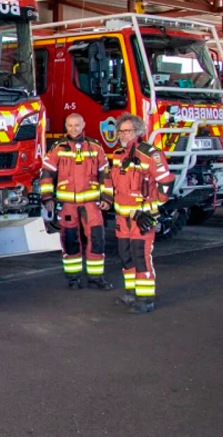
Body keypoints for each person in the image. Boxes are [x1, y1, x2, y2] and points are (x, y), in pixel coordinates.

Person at [106, 113, 174, 314]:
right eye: (121, 131)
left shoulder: (150, 154)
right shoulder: (118, 154)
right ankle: (131, 293)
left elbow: (166, 182)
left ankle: (145, 299)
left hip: (141, 218)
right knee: (126, 257)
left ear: (137, 131)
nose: (123, 134)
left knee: (140, 257)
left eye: (128, 130)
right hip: (122, 218)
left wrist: (153, 208)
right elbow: (112, 182)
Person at [40, 113, 114, 290]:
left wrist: (107, 197)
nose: (74, 129)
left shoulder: (96, 147)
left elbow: (106, 174)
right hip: (67, 205)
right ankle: (73, 278)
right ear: (66, 126)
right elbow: (47, 174)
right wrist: (47, 198)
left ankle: (96, 278)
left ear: (83, 125)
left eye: (77, 125)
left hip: (92, 204)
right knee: (70, 241)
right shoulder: (58, 148)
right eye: (70, 126)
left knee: (97, 240)